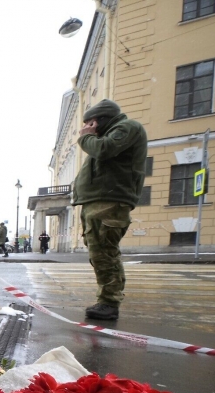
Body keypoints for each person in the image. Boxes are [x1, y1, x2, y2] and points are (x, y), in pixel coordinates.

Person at [73, 99, 147, 321]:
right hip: (99, 200)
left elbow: (105, 150)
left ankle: (109, 302)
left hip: (110, 200)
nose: (86, 128)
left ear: (100, 120)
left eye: (90, 123)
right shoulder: (108, 134)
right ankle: (107, 300)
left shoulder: (127, 128)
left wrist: (86, 136)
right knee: (100, 251)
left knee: (104, 251)